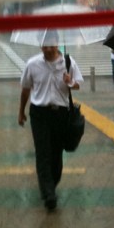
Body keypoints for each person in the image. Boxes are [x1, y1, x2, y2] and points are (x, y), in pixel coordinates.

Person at [18, 31, 83, 211]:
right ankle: (48, 193)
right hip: (39, 114)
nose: (48, 49)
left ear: (57, 43)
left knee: (56, 154)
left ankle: (51, 186)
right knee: (42, 152)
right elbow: (25, 89)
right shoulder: (32, 64)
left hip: (61, 114)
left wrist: (70, 82)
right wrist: (21, 112)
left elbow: (78, 84)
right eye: (45, 45)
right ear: (40, 45)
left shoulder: (68, 63)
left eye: (51, 45)